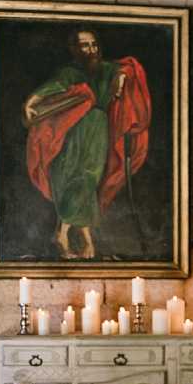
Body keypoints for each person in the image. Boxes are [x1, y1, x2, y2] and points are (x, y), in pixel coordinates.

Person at [24, 28, 151, 259]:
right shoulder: (69, 72)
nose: (90, 49)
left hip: (98, 129)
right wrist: (31, 101)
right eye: (84, 45)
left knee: (89, 179)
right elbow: (52, 87)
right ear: (74, 49)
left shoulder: (106, 69)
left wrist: (122, 75)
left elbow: (130, 68)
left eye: (93, 44)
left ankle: (65, 233)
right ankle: (80, 237)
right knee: (71, 178)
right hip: (72, 131)